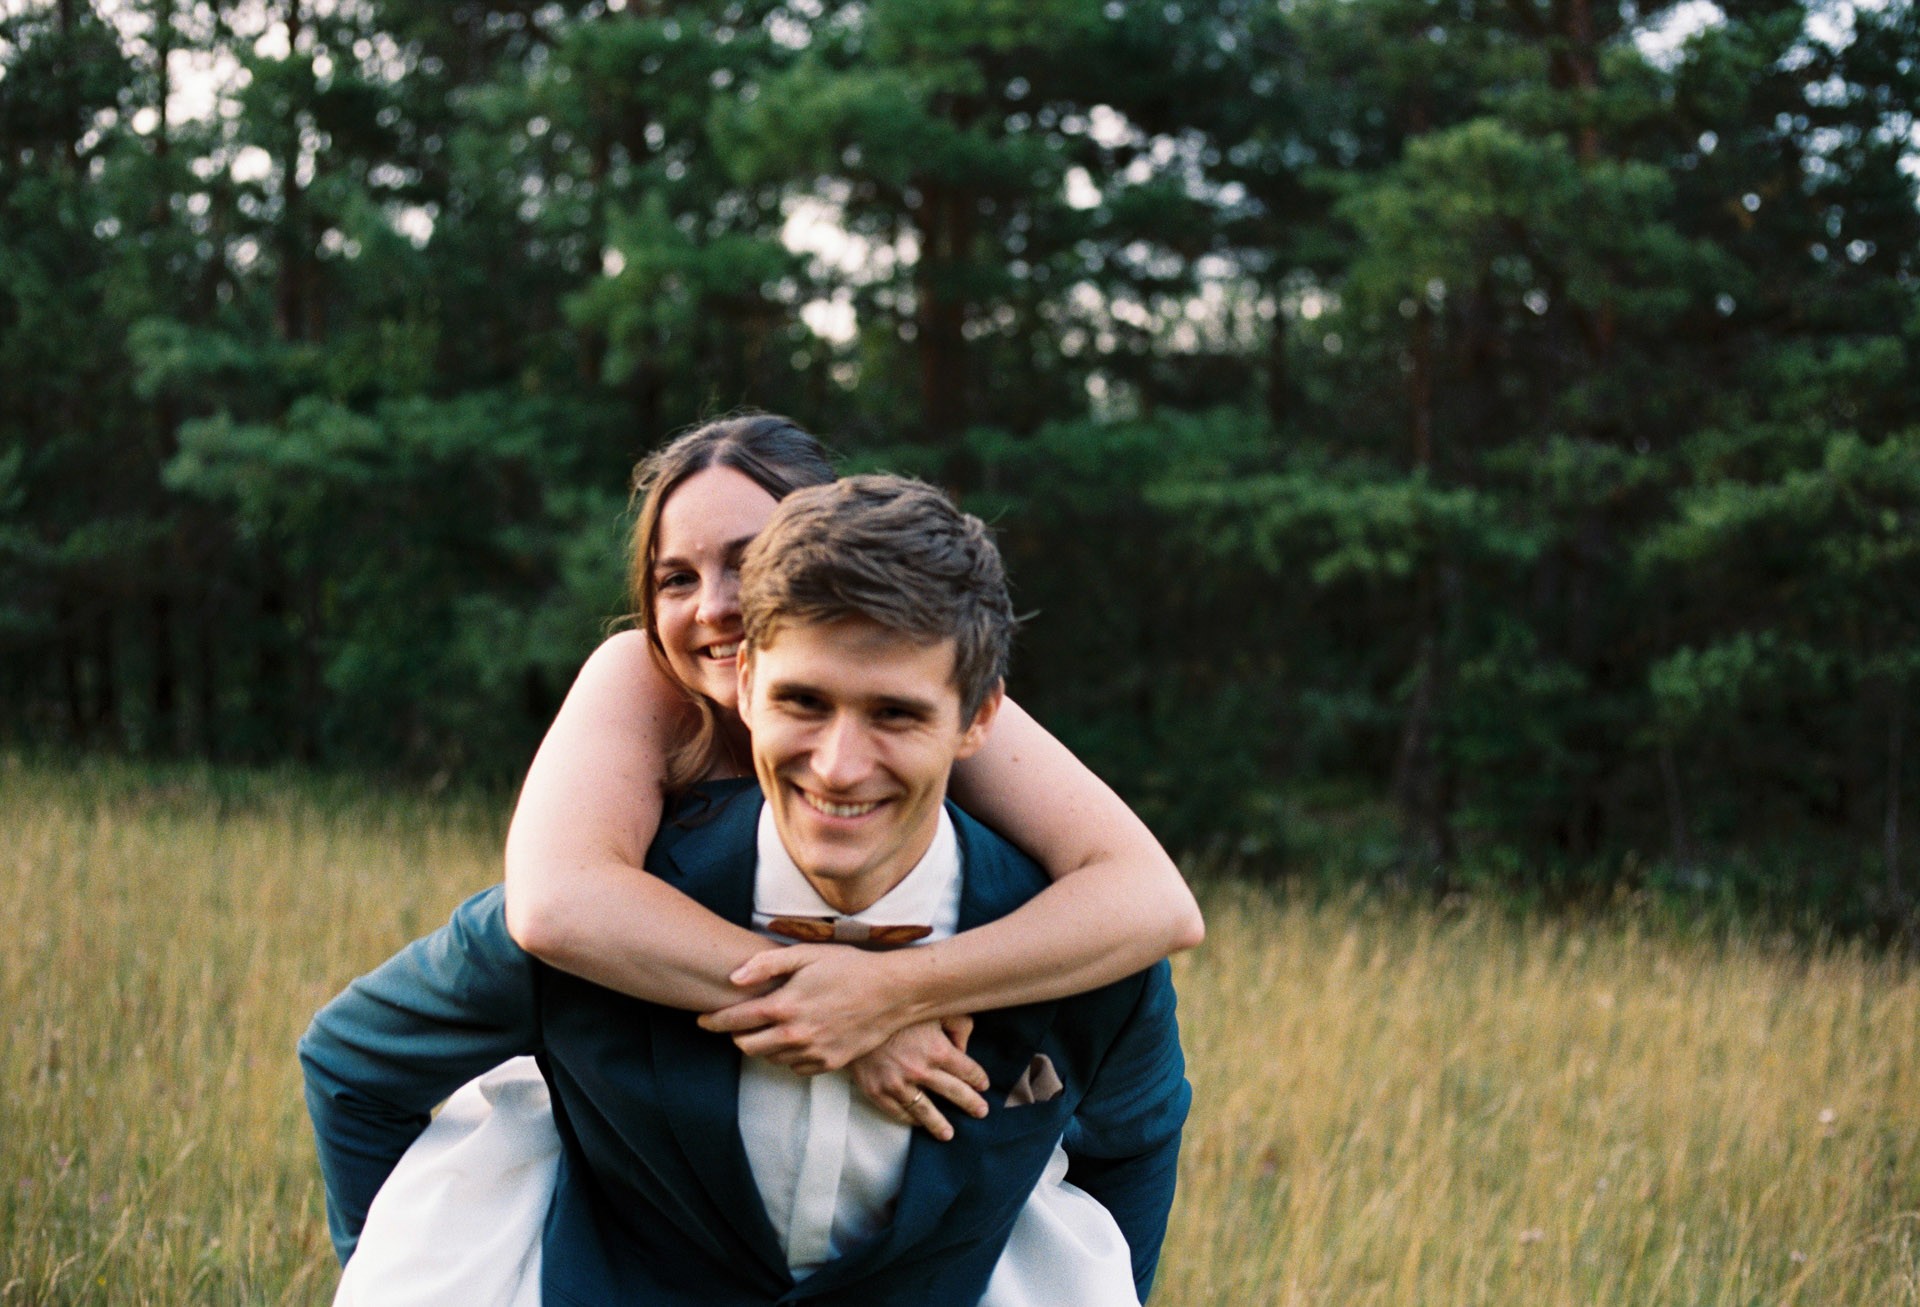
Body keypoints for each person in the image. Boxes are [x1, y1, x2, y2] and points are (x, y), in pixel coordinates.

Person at [301, 475, 1191, 1305]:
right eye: (804, 701)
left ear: (978, 718)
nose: (841, 766)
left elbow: (1128, 1156)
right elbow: (354, 1067)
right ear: (747, 684)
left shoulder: (1079, 949)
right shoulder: (606, 914)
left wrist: (886, 993)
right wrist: (407, 1256)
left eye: (895, 713)